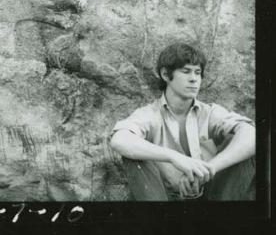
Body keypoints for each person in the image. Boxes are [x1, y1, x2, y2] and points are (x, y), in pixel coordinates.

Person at [109, 43, 255, 201]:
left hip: (213, 196)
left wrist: (209, 169)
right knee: (133, 156)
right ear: (165, 74)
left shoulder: (211, 112)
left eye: (198, 73)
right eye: (186, 72)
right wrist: (176, 158)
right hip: (163, 197)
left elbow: (252, 134)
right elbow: (119, 140)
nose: (194, 79)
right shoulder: (149, 114)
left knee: (244, 145)